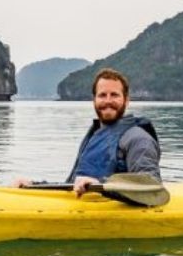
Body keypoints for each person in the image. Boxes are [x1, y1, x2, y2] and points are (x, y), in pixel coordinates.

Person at [14, 67, 161, 196]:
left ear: (126, 101)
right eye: (102, 95)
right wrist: (34, 185)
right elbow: (72, 185)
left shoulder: (138, 139)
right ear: (94, 100)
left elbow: (151, 186)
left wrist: (99, 186)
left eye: (114, 95)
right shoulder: (94, 136)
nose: (108, 101)